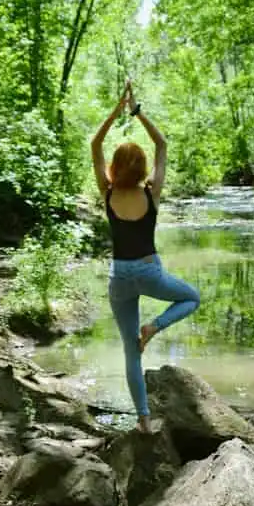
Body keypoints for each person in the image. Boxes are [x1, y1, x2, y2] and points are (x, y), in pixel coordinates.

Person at [90, 79, 201, 433]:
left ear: (114, 167)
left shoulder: (106, 193)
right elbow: (162, 144)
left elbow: (94, 143)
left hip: (119, 278)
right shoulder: (152, 194)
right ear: (140, 167)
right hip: (150, 272)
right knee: (192, 297)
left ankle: (143, 421)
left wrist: (116, 109)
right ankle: (153, 327)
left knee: (130, 353)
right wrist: (136, 112)